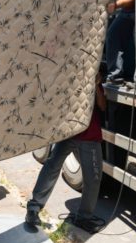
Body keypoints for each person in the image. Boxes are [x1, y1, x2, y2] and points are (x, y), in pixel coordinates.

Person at [25, 64, 107, 233]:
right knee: (52, 166)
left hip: (89, 135)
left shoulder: (94, 80)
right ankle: (33, 208)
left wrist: (96, 85)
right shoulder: (68, 77)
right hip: (68, 133)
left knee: (93, 178)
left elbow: (103, 106)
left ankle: (84, 217)